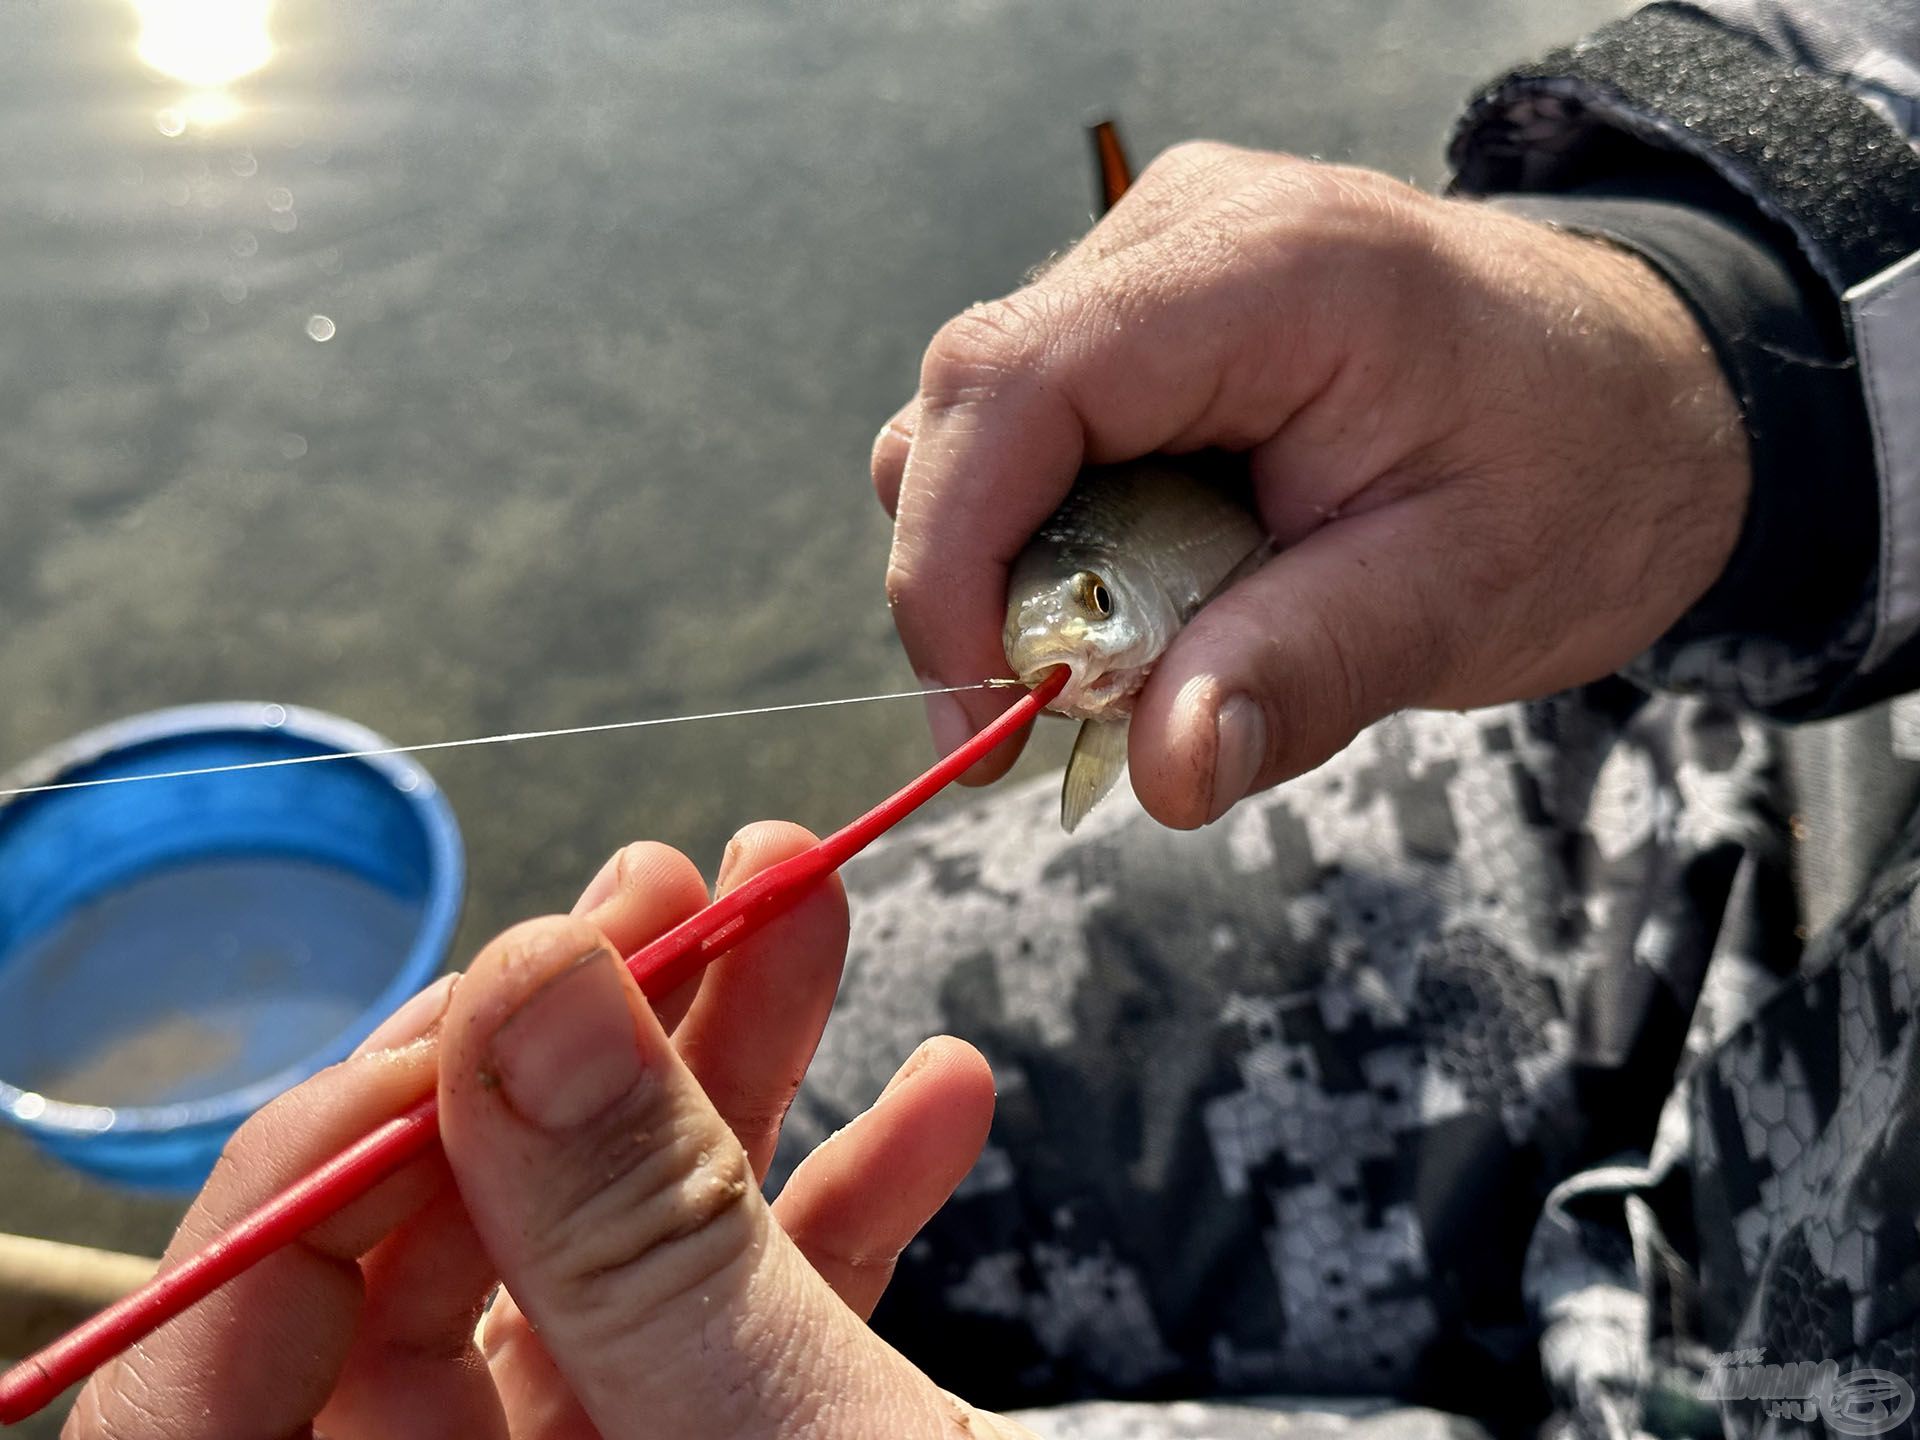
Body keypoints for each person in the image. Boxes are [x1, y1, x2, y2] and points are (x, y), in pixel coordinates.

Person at [70, 0, 1920, 1435]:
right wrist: (1719, 340)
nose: (1068, 660)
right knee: (772, 1114)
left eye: (1089, 615)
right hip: (1742, 775)